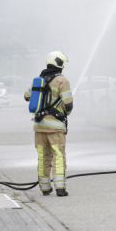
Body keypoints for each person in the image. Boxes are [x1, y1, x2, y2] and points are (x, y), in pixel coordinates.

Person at [24, 51, 73, 196]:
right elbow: (68, 106)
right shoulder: (62, 81)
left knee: (43, 156)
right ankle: (60, 188)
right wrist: (61, 115)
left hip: (39, 127)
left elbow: (27, 96)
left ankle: (45, 187)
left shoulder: (38, 80)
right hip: (55, 128)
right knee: (58, 155)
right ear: (60, 65)